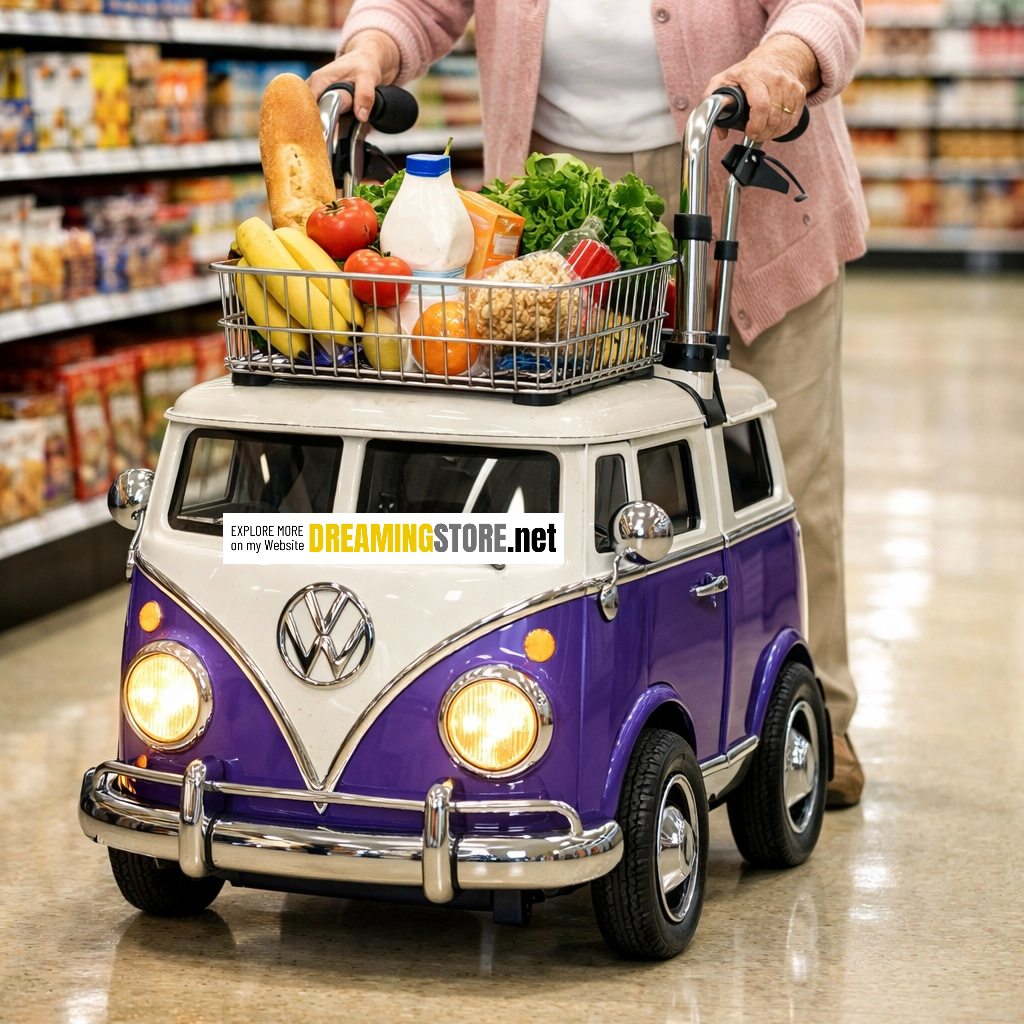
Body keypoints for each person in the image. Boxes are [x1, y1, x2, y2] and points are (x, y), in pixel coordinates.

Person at [308, 0, 868, 807]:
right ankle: (569, 712)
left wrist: (784, 61)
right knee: (575, 478)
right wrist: (370, 48)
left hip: (746, 171)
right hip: (562, 199)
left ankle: (820, 710)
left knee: (785, 470)